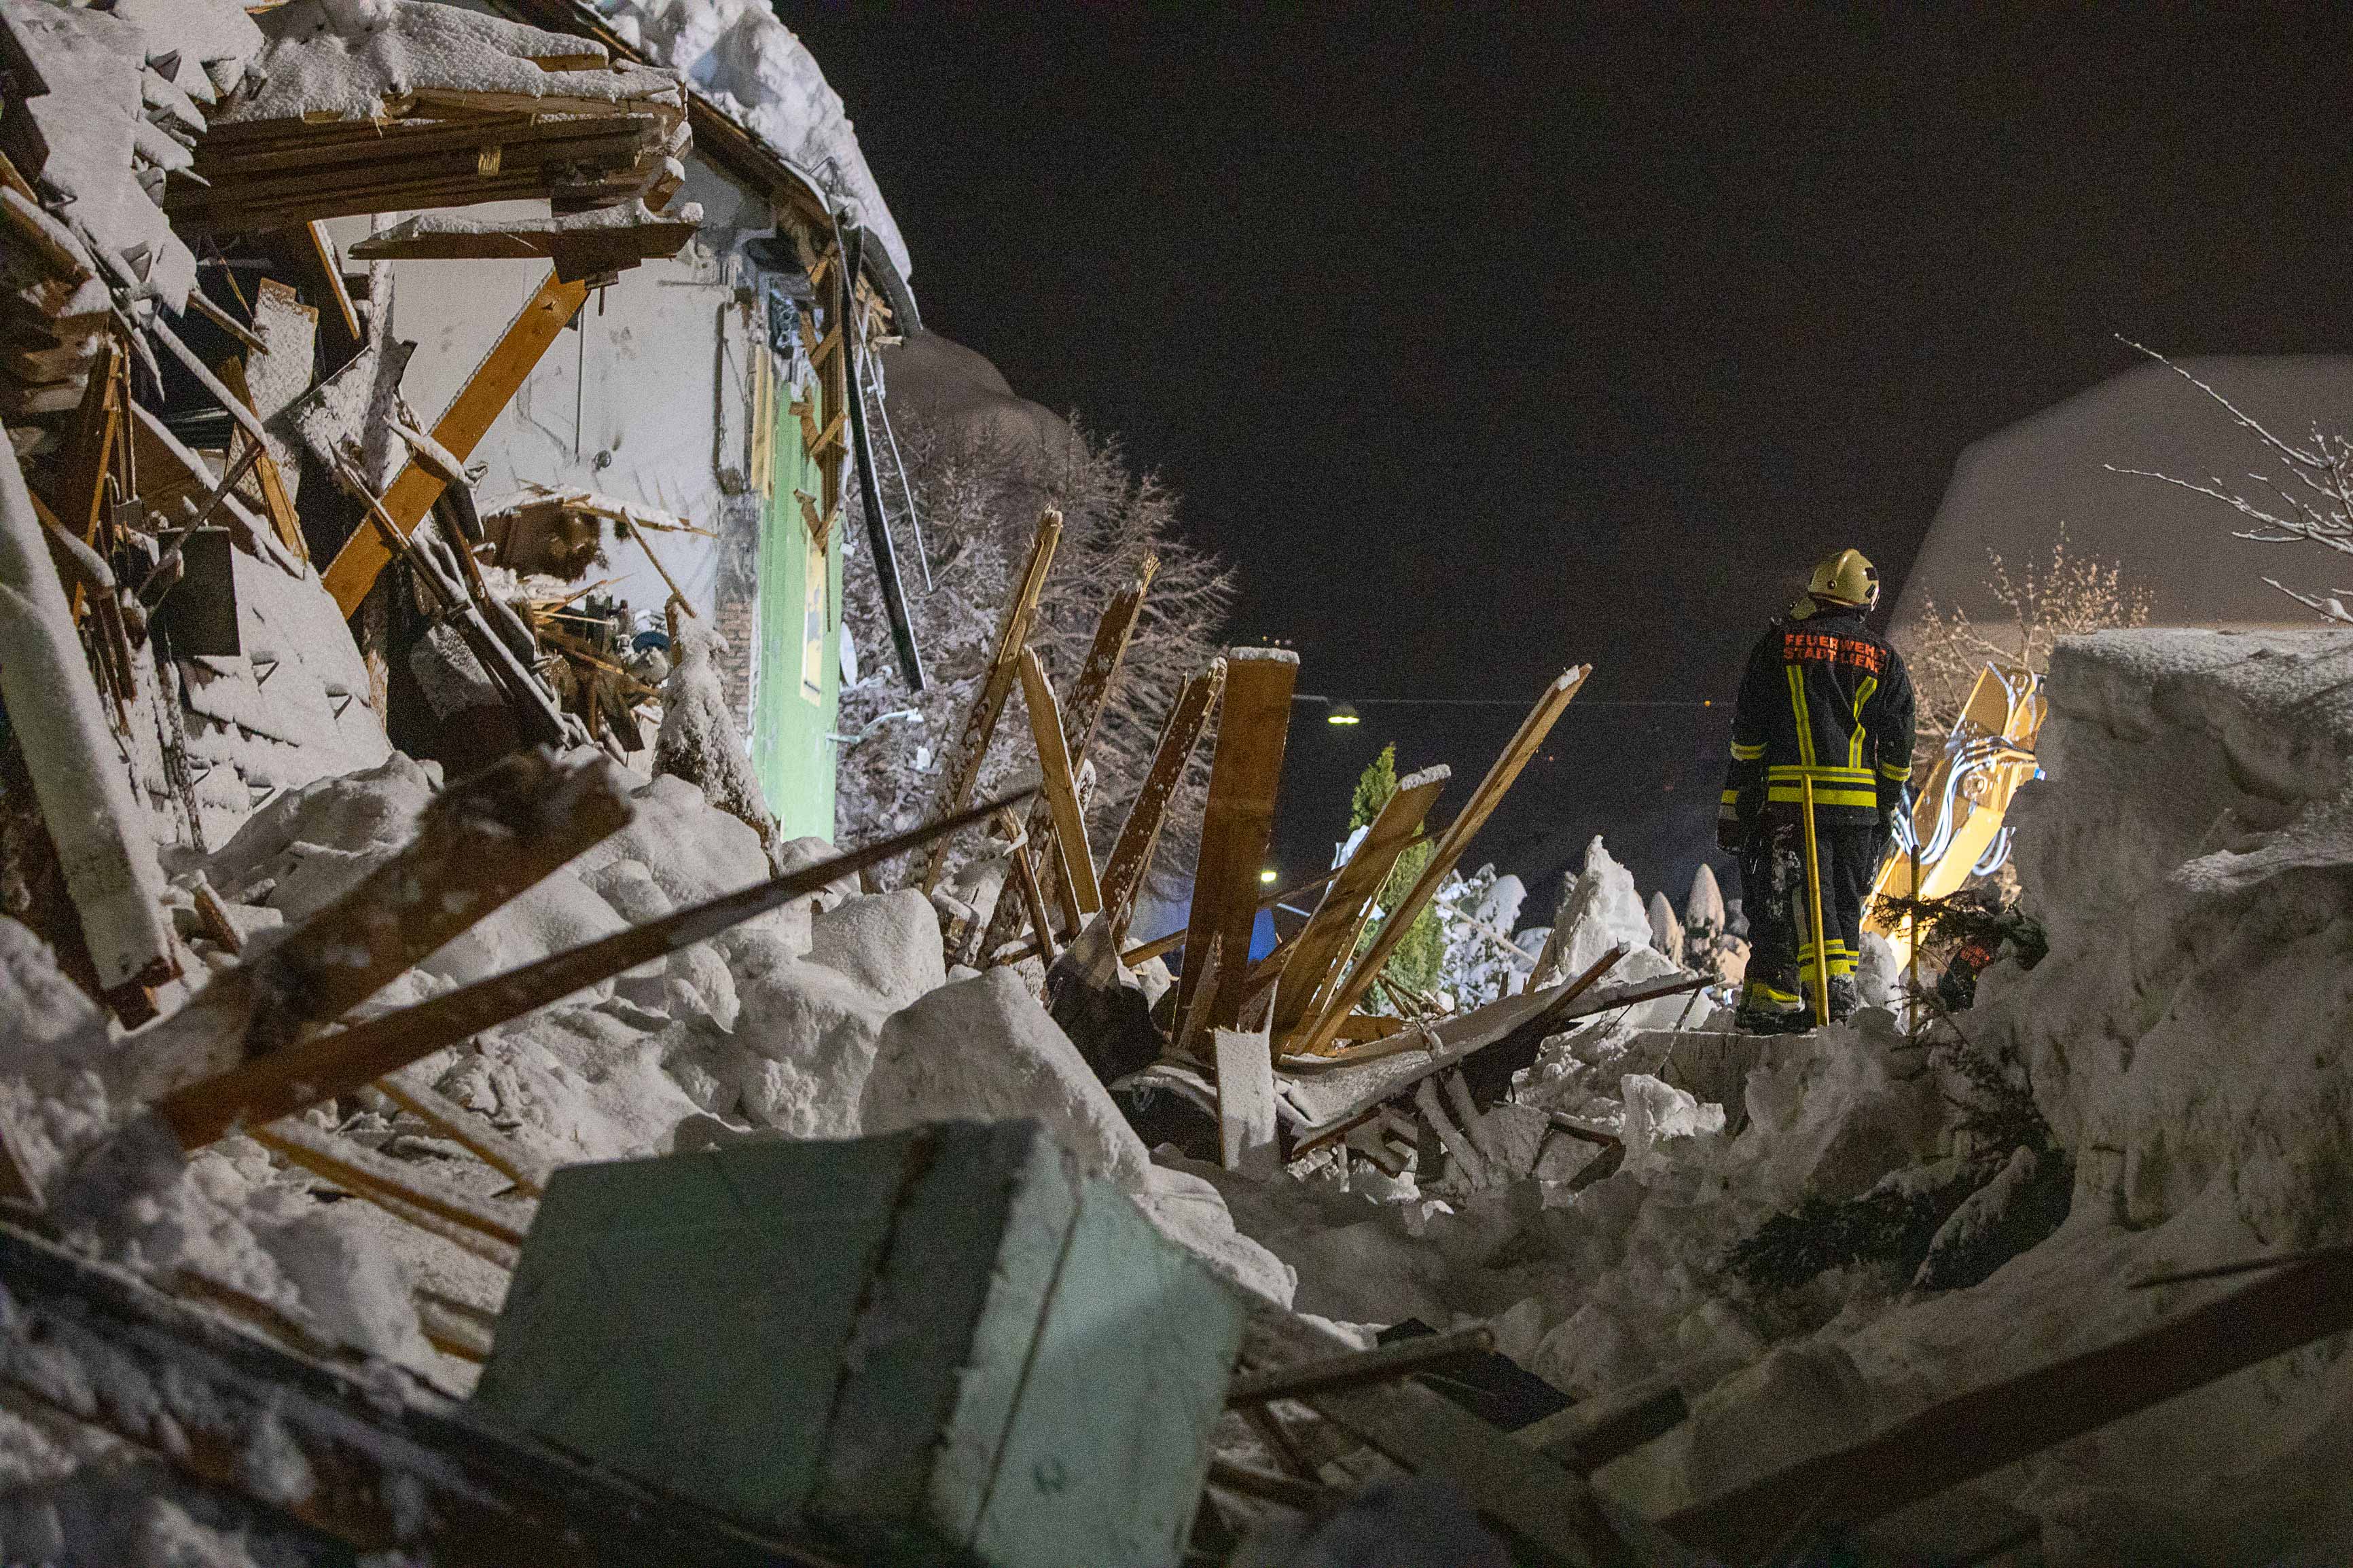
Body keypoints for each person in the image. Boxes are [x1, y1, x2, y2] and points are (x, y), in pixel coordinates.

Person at [1717, 548, 1914, 1032]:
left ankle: (1794, 999)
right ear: (1866, 600)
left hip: (1791, 802)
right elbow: (1899, 746)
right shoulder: (1884, 658)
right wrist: (1886, 803)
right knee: (1843, 902)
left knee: (1790, 901)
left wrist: (1739, 798)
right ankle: (1834, 998)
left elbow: (1749, 731)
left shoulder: (1780, 644)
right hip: (1858, 812)